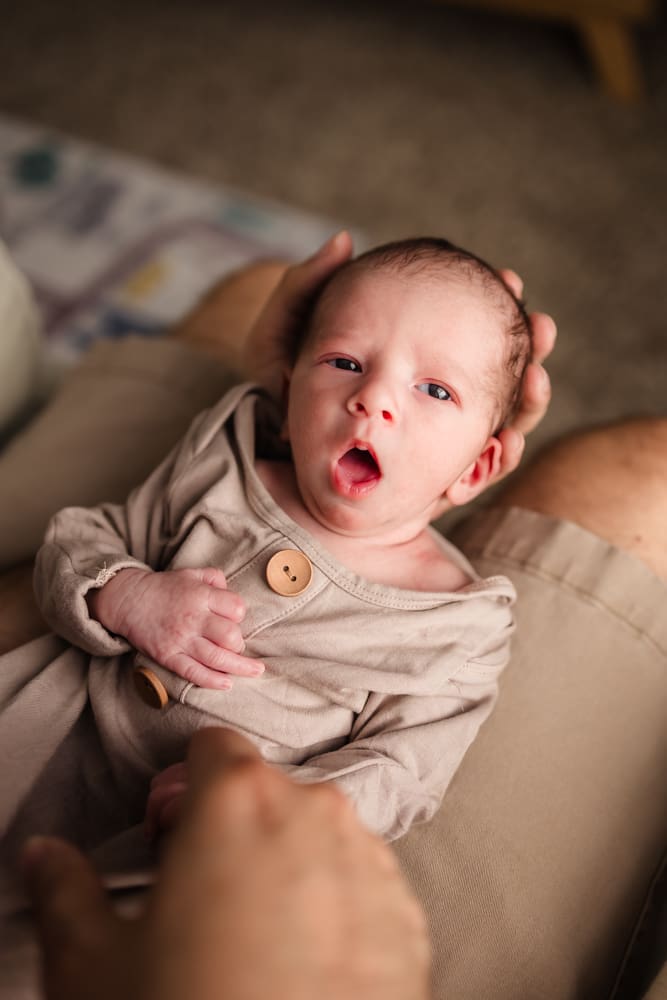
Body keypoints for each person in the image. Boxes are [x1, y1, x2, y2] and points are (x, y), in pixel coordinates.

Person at [14, 236, 531, 849]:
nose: (373, 398)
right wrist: (126, 593)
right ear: (287, 402)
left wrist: (286, 800)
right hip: (41, 749)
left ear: (476, 468)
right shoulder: (225, 465)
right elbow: (74, 542)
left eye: (436, 390)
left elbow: (402, 775)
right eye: (345, 362)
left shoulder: (459, 629)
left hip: (197, 861)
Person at [21, 726, 432, 1000]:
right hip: (74, 737)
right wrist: (116, 595)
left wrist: (283, 790)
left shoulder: (474, 623)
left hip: (222, 888)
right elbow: (58, 597)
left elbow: (402, 781)